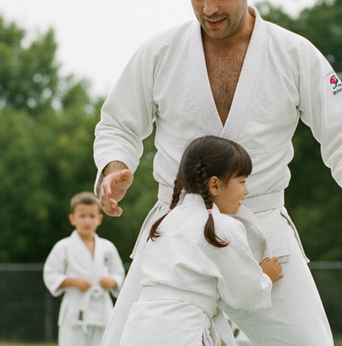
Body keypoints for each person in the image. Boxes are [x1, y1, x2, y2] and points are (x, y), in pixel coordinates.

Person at [94, 0, 342, 346]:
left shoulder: (294, 54)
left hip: (261, 225)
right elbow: (117, 124)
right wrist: (114, 167)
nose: (208, 8)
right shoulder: (160, 53)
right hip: (177, 230)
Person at [119, 135, 283, 346]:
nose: (246, 190)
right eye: (242, 181)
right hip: (182, 332)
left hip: (137, 330)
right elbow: (246, 293)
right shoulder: (222, 228)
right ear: (214, 184)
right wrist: (266, 276)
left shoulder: (163, 224)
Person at [43, 192, 126, 346]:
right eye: (82, 216)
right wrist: (72, 282)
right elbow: (51, 274)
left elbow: (119, 273)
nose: (87, 221)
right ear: (72, 219)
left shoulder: (107, 247)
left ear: (99, 219)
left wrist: (112, 282)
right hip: (75, 310)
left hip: (102, 310)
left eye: (92, 216)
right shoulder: (64, 247)